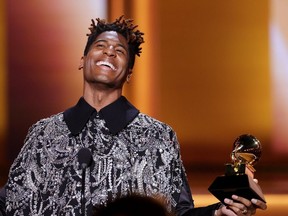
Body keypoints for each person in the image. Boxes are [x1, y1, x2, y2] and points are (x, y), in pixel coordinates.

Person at [0, 16, 267, 216]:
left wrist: (219, 213)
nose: (108, 52)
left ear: (128, 72)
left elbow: (179, 213)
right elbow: (11, 204)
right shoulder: (44, 132)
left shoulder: (157, 136)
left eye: (119, 51)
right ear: (83, 59)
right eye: (100, 46)